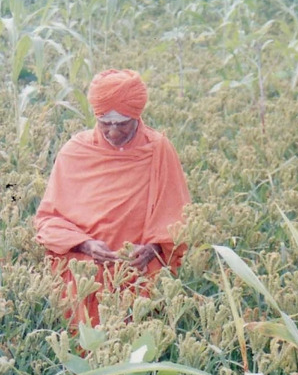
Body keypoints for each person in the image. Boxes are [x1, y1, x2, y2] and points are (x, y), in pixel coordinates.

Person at [33, 69, 191, 328]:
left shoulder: (158, 149)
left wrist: (152, 249)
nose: (113, 132)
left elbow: (178, 218)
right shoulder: (76, 151)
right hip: (85, 279)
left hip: (137, 278)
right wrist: (85, 245)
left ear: (137, 117)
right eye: (105, 123)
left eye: (122, 123)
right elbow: (48, 221)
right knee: (85, 344)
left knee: (136, 342)